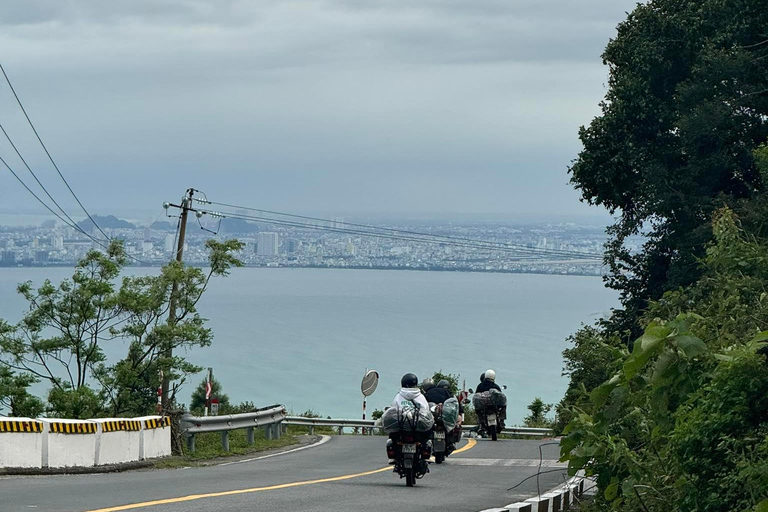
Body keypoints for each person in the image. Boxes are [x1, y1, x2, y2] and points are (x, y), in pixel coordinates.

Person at [387, 373, 432, 464]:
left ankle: (393, 456)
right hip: (417, 427)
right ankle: (425, 454)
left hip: (402, 426)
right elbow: (426, 411)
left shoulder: (398, 396)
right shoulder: (420, 396)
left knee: (393, 435)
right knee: (427, 435)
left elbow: (393, 410)